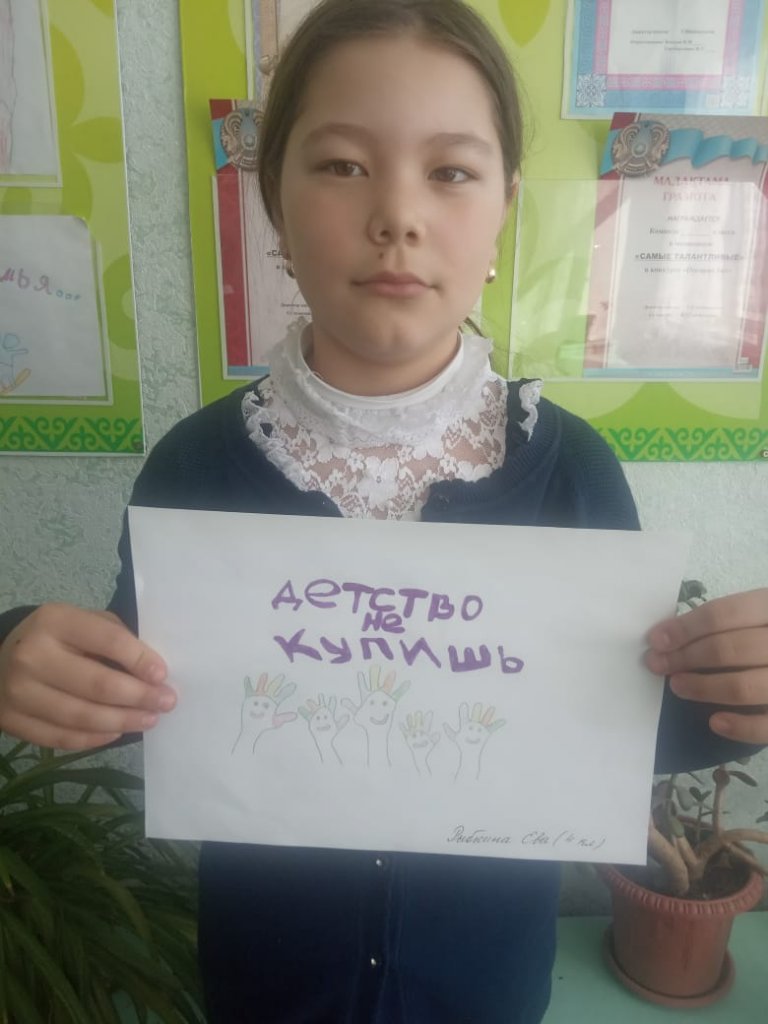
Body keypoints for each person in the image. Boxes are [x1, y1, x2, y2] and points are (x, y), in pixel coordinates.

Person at [0, 1, 766, 1020]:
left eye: (451, 171)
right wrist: (29, 657)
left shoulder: (574, 472)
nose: (397, 214)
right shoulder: (196, 466)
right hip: (266, 981)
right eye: (342, 164)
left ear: (504, 207)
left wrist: (735, 696)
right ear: (275, 201)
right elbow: (146, 691)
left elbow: (611, 736)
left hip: (486, 984)